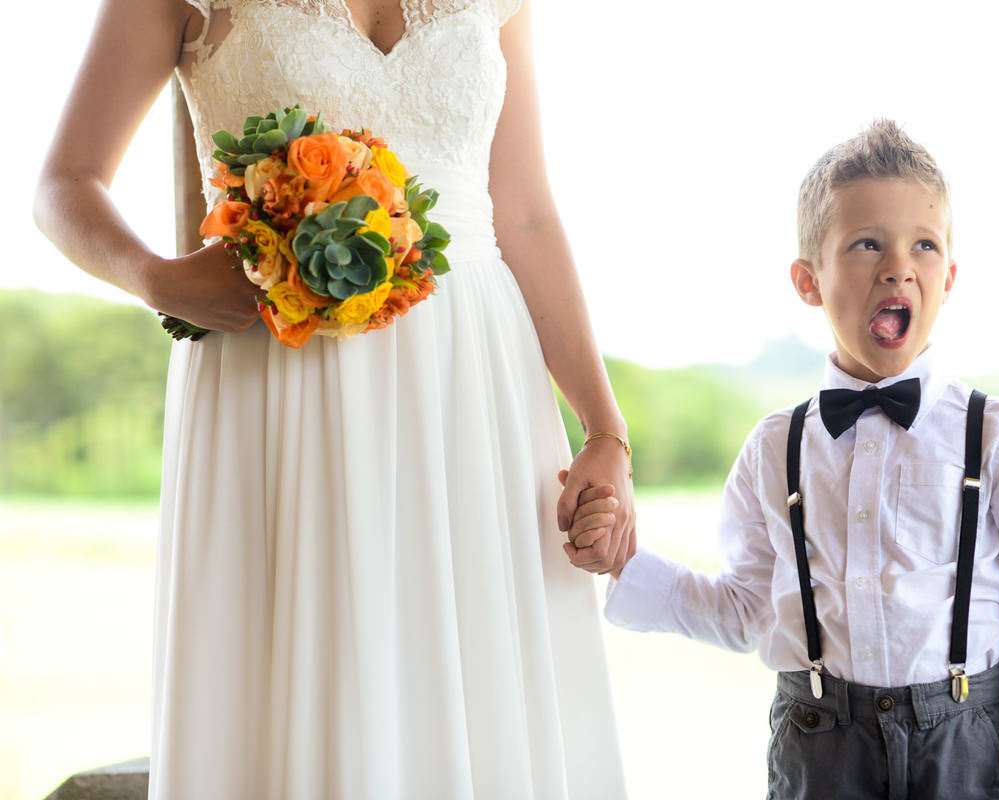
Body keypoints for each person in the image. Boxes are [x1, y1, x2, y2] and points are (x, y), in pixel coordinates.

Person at [34, 0, 634, 797]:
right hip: (276, 376)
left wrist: (605, 429)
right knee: (297, 680)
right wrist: (159, 280)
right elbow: (63, 183)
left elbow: (523, 214)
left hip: (472, 387)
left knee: (471, 677)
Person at [568, 120, 999, 799]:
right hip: (819, 754)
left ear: (950, 276)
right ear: (808, 280)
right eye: (867, 243)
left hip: (967, 751)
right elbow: (747, 609)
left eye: (924, 245)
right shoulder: (773, 449)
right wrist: (625, 565)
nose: (898, 265)